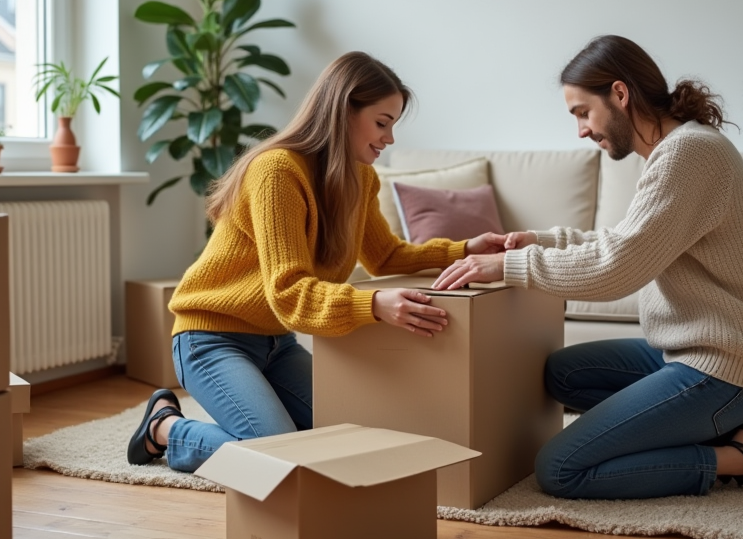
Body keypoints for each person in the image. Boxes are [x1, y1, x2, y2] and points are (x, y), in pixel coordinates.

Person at [433, 35, 743, 499]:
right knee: (563, 373)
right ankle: (725, 431)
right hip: (685, 350)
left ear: (620, 94)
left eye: (582, 112)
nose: (580, 130)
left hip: (725, 368)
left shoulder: (688, 153)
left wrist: (511, 266)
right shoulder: (672, 150)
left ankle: (742, 457)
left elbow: (618, 268)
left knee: (560, 470)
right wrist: (537, 240)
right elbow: (625, 241)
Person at [127, 51, 507, 472]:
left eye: (393, 125)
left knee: (344, 443)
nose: (390, 138)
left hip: (277, 344)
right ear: (343, 111)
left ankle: (185, 427)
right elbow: (289, 294)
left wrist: (464, 250)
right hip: (212, 339)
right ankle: (165, 428)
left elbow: (386, 256)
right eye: (382, 123)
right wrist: (375, 305)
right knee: (286, 461)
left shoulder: (361, 179)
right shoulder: (276, 171)